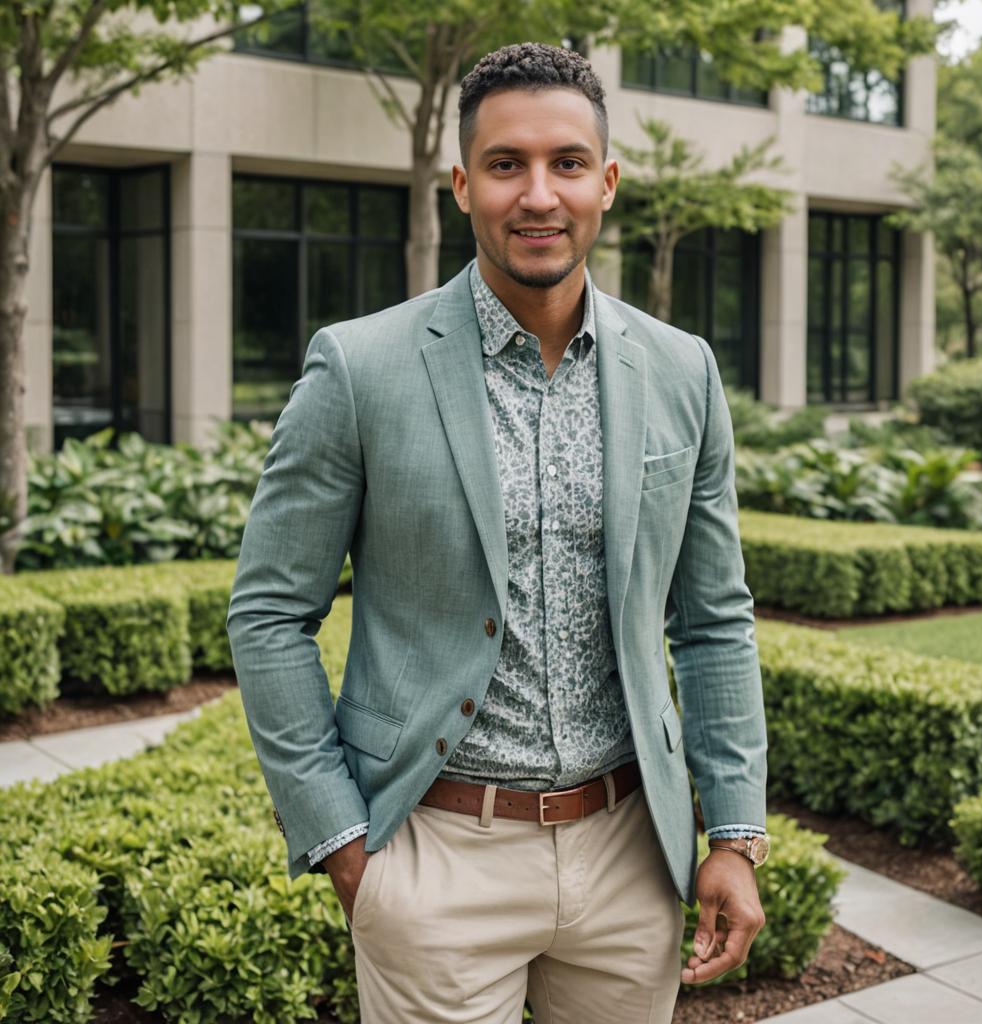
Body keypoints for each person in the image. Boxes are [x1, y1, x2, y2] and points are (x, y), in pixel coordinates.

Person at [226, 41, 770, 1024]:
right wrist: (346, 847)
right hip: (437, 860)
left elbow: (714, 619)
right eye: (505, 164)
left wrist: (731, 834)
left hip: (626, 856)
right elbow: (269, 614)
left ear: (606, 181)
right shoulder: (359, 369)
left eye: (566, 163)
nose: (537, 195)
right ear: (461, 184)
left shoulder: (682, 371)